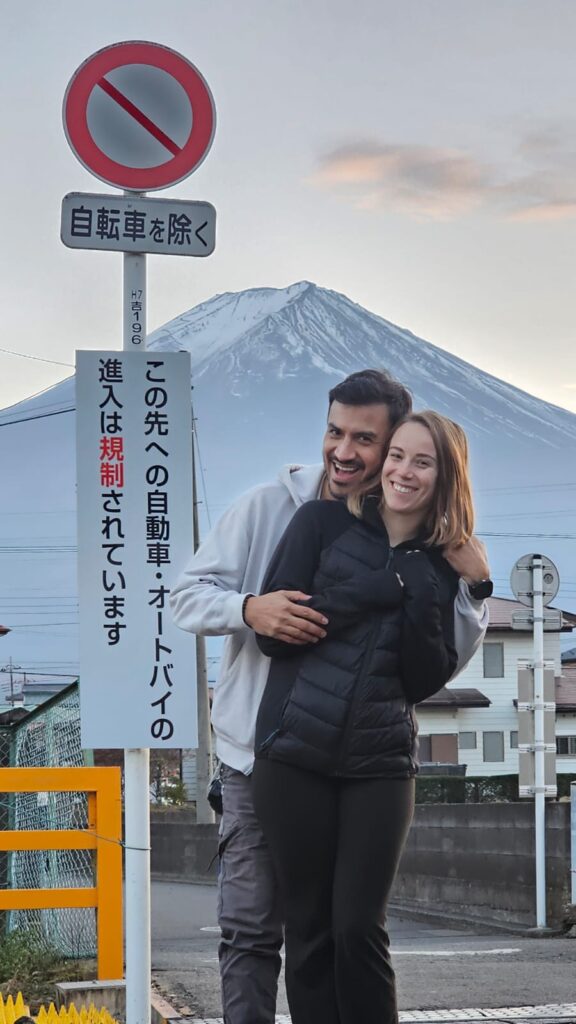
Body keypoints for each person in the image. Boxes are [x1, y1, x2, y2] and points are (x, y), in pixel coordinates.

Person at [169, 370, 491, 1024]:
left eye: (365, 440)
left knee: (353, 927)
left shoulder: (426, 552)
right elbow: (186, 597)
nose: (345, 450)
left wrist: (472, 588)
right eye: (335, 432)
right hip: (258, 751)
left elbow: (436, 663)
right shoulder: (277, 508)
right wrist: (249, 608)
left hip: (368, 756)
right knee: (255, 927)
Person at [251, 410, 474, 1024]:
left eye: (423, 462)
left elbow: (422, 680)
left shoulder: (439, 564)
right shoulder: (319, 523)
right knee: (310, 927)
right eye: (397, 455)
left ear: (445, 477)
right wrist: (384, 587)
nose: (404, 471)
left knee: (359, 927)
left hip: (381, 763)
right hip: (292, 755)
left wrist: (444, 588)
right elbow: (275, 636)